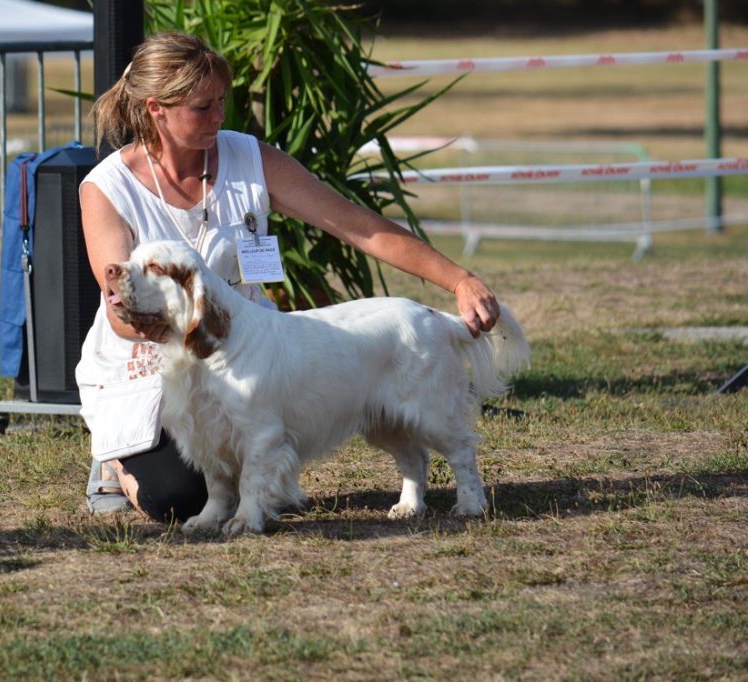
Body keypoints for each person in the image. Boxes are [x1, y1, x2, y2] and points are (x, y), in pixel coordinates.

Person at [76, 32, 501, 522]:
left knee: (239, 459)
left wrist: (459, 279)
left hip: (252, 353)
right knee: (175, 499)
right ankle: (113, 458)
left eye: (221, 103)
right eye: (202, 108)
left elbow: (360, 229)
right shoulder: (107, 187)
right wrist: (183, 324)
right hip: (153, 361)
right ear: (157, 109)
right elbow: (121, 311)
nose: (219, 118)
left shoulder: (249, 158)